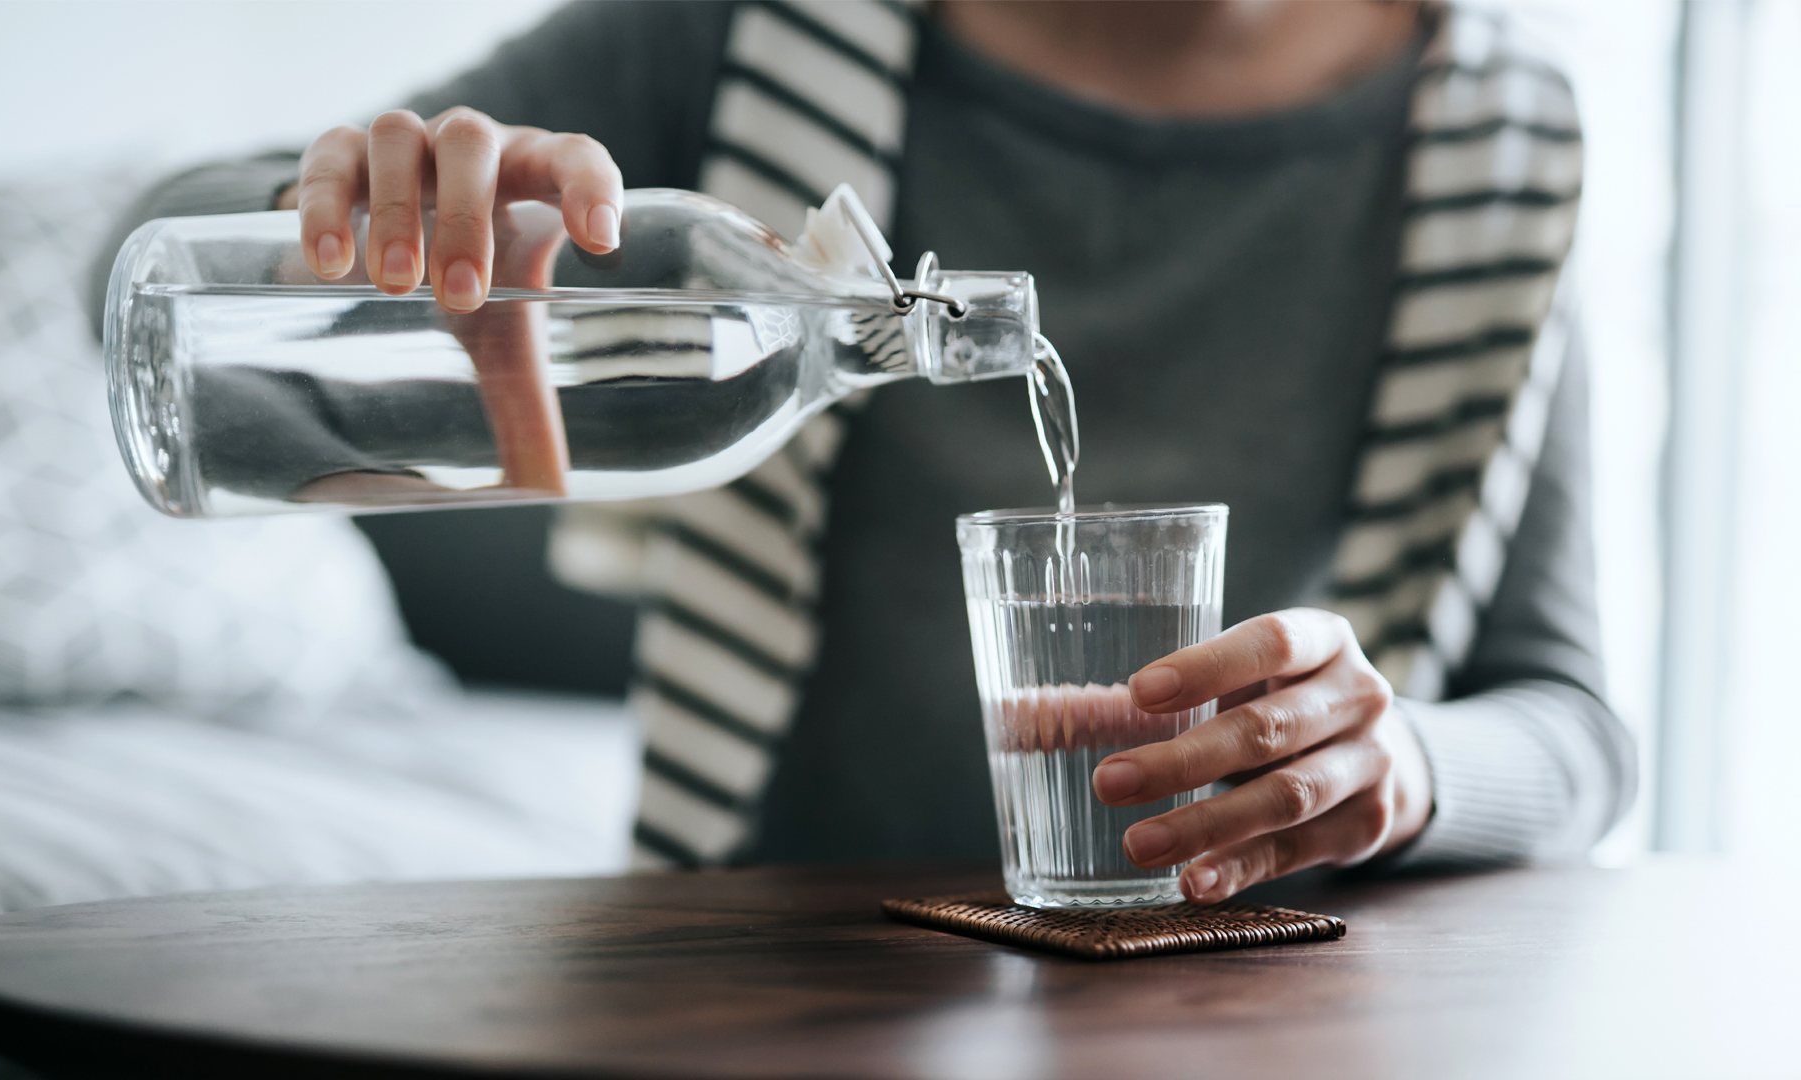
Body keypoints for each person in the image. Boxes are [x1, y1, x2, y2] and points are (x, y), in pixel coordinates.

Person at [103, 0, 1634, 902]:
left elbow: (1575, 726)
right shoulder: (761, 34)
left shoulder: (1495, 138)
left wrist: (1402, 762)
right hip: (770, 970)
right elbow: (141, 263)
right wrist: (360, 219)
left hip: (1260, 997)